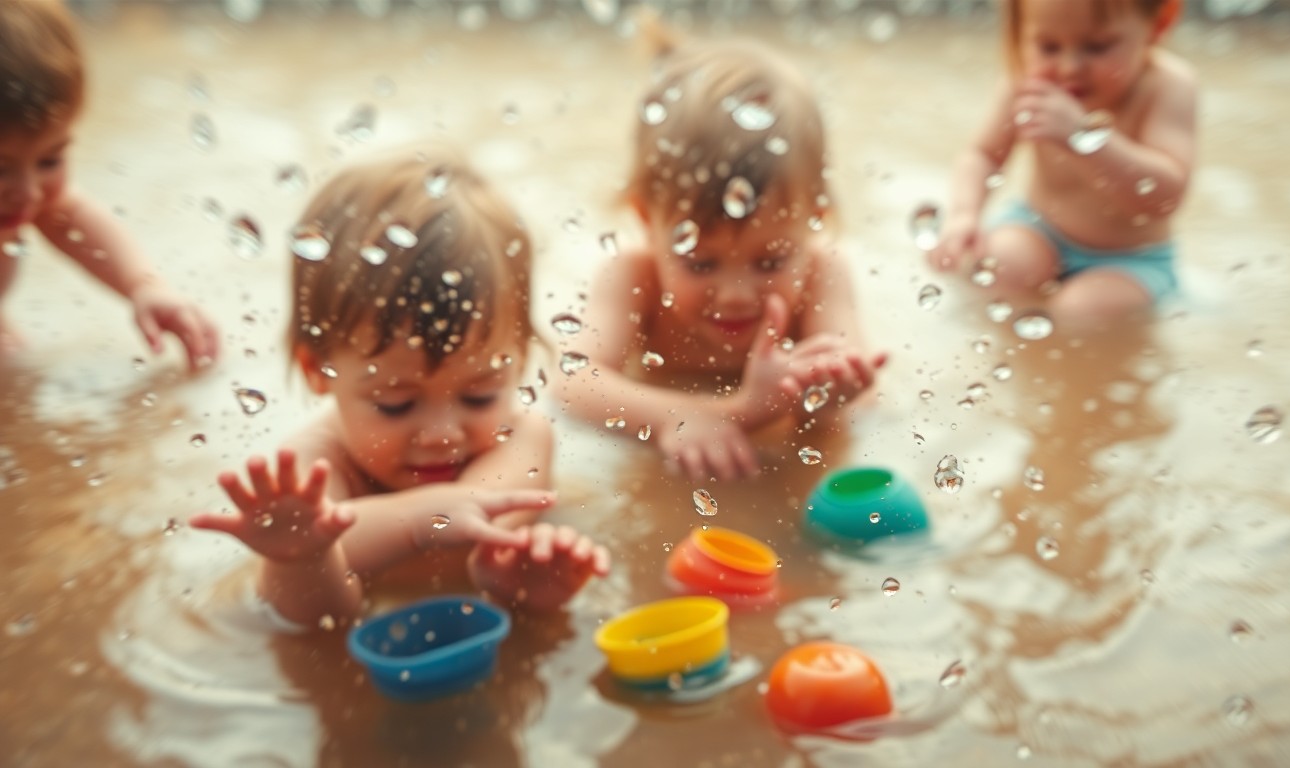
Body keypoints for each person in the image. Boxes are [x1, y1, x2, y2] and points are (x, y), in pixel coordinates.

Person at [191, 145, 609, 628]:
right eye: (396, 404)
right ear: (318, 369)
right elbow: (316, 620)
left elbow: (478, 523)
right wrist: (300, 557)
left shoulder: (524, 438)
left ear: (519, 359)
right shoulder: (312, 473)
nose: (440, 434)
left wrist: (518, 587)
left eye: (479, 395)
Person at [559, 16, 887, 483]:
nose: (735, 293)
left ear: (815, 216)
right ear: (647, 221)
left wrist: (827, 402)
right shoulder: (633, 277)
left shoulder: (823, 272)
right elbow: (573, 384)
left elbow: (863, 409)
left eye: (771, 261)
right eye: (700, 262)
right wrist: (678, 415)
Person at [929, 0, 1195, 327]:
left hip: (1131, 260)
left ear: (1159, 23)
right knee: (996, 270)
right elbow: (983, 155)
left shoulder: (1166, 86)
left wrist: (1083, 138)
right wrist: (964, 214)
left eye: (1097, 47)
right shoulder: (1026, 82)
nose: (1069, 67)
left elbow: (1166, 196)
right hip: (1039, 229)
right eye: (1048, 46)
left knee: (1081, 313)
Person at [0, 0, 218, 366]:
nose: (30, 193)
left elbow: (70, 217)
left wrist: (145, 287)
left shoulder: (26, 200)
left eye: (50, 160)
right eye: (0, 169)